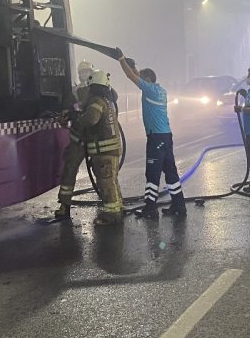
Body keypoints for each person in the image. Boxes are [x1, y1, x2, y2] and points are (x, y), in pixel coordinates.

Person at [118, 54, 187, 218]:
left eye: (142, 79)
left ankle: (150, 208)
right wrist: (133, 66)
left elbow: (130, 76)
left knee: (152, 172)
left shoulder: (148, 90)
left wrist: (121, 60)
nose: (139, 81)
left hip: (156, 138)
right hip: (166, 136)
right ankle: (179, 205)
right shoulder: (160, 90)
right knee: (170, 171)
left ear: (148, 80)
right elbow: (135, 75)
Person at [54, 69, 124, 226]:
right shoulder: (76, 92)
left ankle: (113, 211)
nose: (84, 74)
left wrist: (77, 117)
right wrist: (69, 115)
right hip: (80, 140)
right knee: (71, 169)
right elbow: (69, 109)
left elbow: (91, 117)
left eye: (87, 72)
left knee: (106, 177)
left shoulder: (100, 96)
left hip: (97, 142)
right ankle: (65, 205)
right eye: (82, 72)